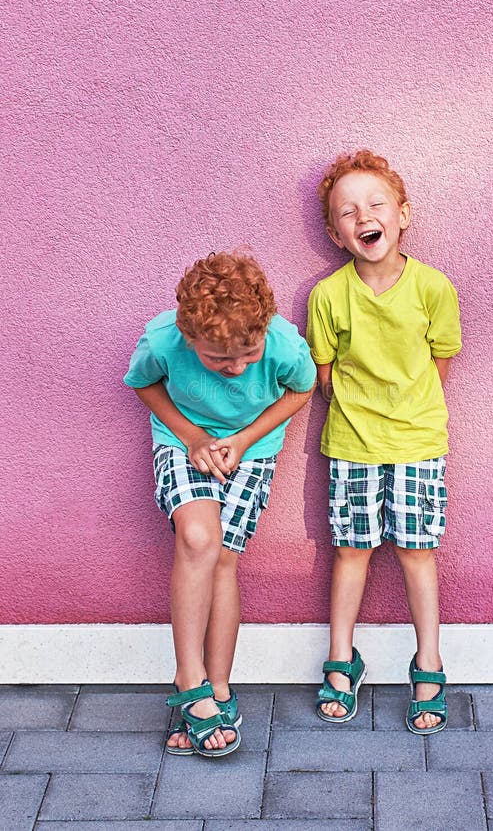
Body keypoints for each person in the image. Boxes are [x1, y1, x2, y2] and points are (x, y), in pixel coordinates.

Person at [124, 252, 316, 757]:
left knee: (224, 558)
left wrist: (247, 439)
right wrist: (190, 437)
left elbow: (301, 390)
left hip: (250, 449)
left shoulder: (282, 342)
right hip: (182, 442)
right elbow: (143, 382)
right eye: (218, 359)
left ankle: (218, 688)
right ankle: (191, 681)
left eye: (247, 355)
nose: (236, 368)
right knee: (197, 539)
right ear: (189, 339)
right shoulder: (164, 338)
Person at [306, 150, 461, 734]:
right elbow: (323, 373)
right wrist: (362, 414)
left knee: (418, 552)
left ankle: (428, 664)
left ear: (402, 214)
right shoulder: (327, 296)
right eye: (347, 212)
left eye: (375, 204)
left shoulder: (432, 288)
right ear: (334, 232)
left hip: (419, 443)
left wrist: (407, 412)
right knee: (351, 552)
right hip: (351, 444)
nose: (363, 217)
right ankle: (342, 662)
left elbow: (441, 358)